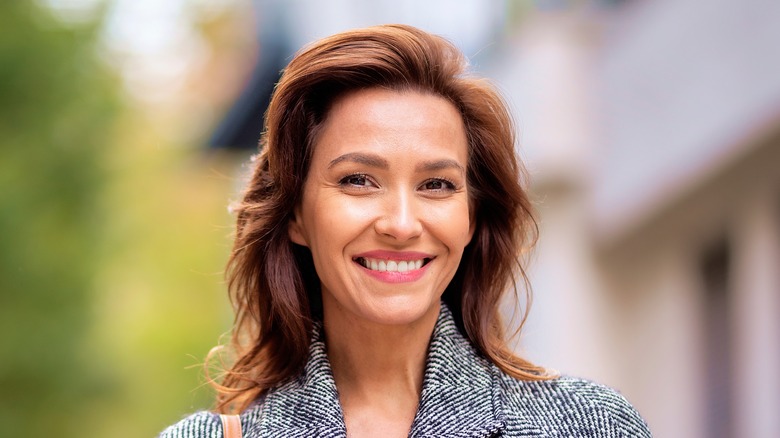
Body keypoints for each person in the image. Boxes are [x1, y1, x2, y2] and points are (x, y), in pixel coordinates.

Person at [160, 24, 651, 437]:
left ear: (472, 218)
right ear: (295, 215)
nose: (400, 224)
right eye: (358, 180)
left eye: (436, 184)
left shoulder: (587, 424)